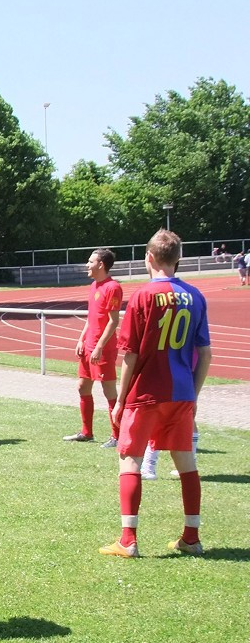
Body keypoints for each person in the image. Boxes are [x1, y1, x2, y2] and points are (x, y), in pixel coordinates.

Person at [100, 229, 211, 558]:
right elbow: (205, 354)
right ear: (179, 259)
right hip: (181, 391)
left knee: (129, 461)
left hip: (146, 392)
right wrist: (194, 394)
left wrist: (120, 400)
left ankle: (128, 540)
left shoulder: (142, 297)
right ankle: (191, 537)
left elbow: (130, 354)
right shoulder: (196, 296)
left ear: (148, 257)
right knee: (187, 464)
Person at [63, 249, 122, 447]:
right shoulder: (94, 285)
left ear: (101, 265)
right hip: (88, 346)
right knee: (82, 387)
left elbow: (113, 321)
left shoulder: (113, 288)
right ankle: (86, 432)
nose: (87, 265)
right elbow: (91, 318)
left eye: (90, 262)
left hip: (102, 349)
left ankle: (118, 436)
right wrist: (81, 339)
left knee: (109, 391)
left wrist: (99, 346)